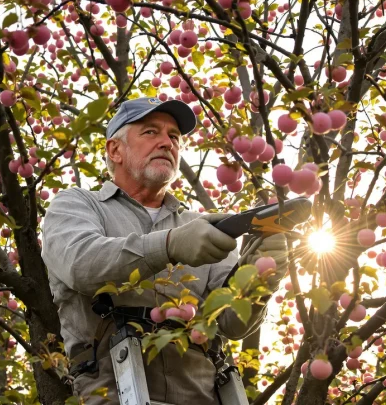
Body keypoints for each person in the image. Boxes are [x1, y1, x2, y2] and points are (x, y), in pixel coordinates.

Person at [41, 97, 288, 405]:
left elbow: (231, 324)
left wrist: (261, 273)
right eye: (150, 132)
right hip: (113, 395)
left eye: (174, 137)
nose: (166, 143)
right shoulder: (76, 204)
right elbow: (82, 264)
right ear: (114, 150)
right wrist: (170, 245)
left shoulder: (203, 226)